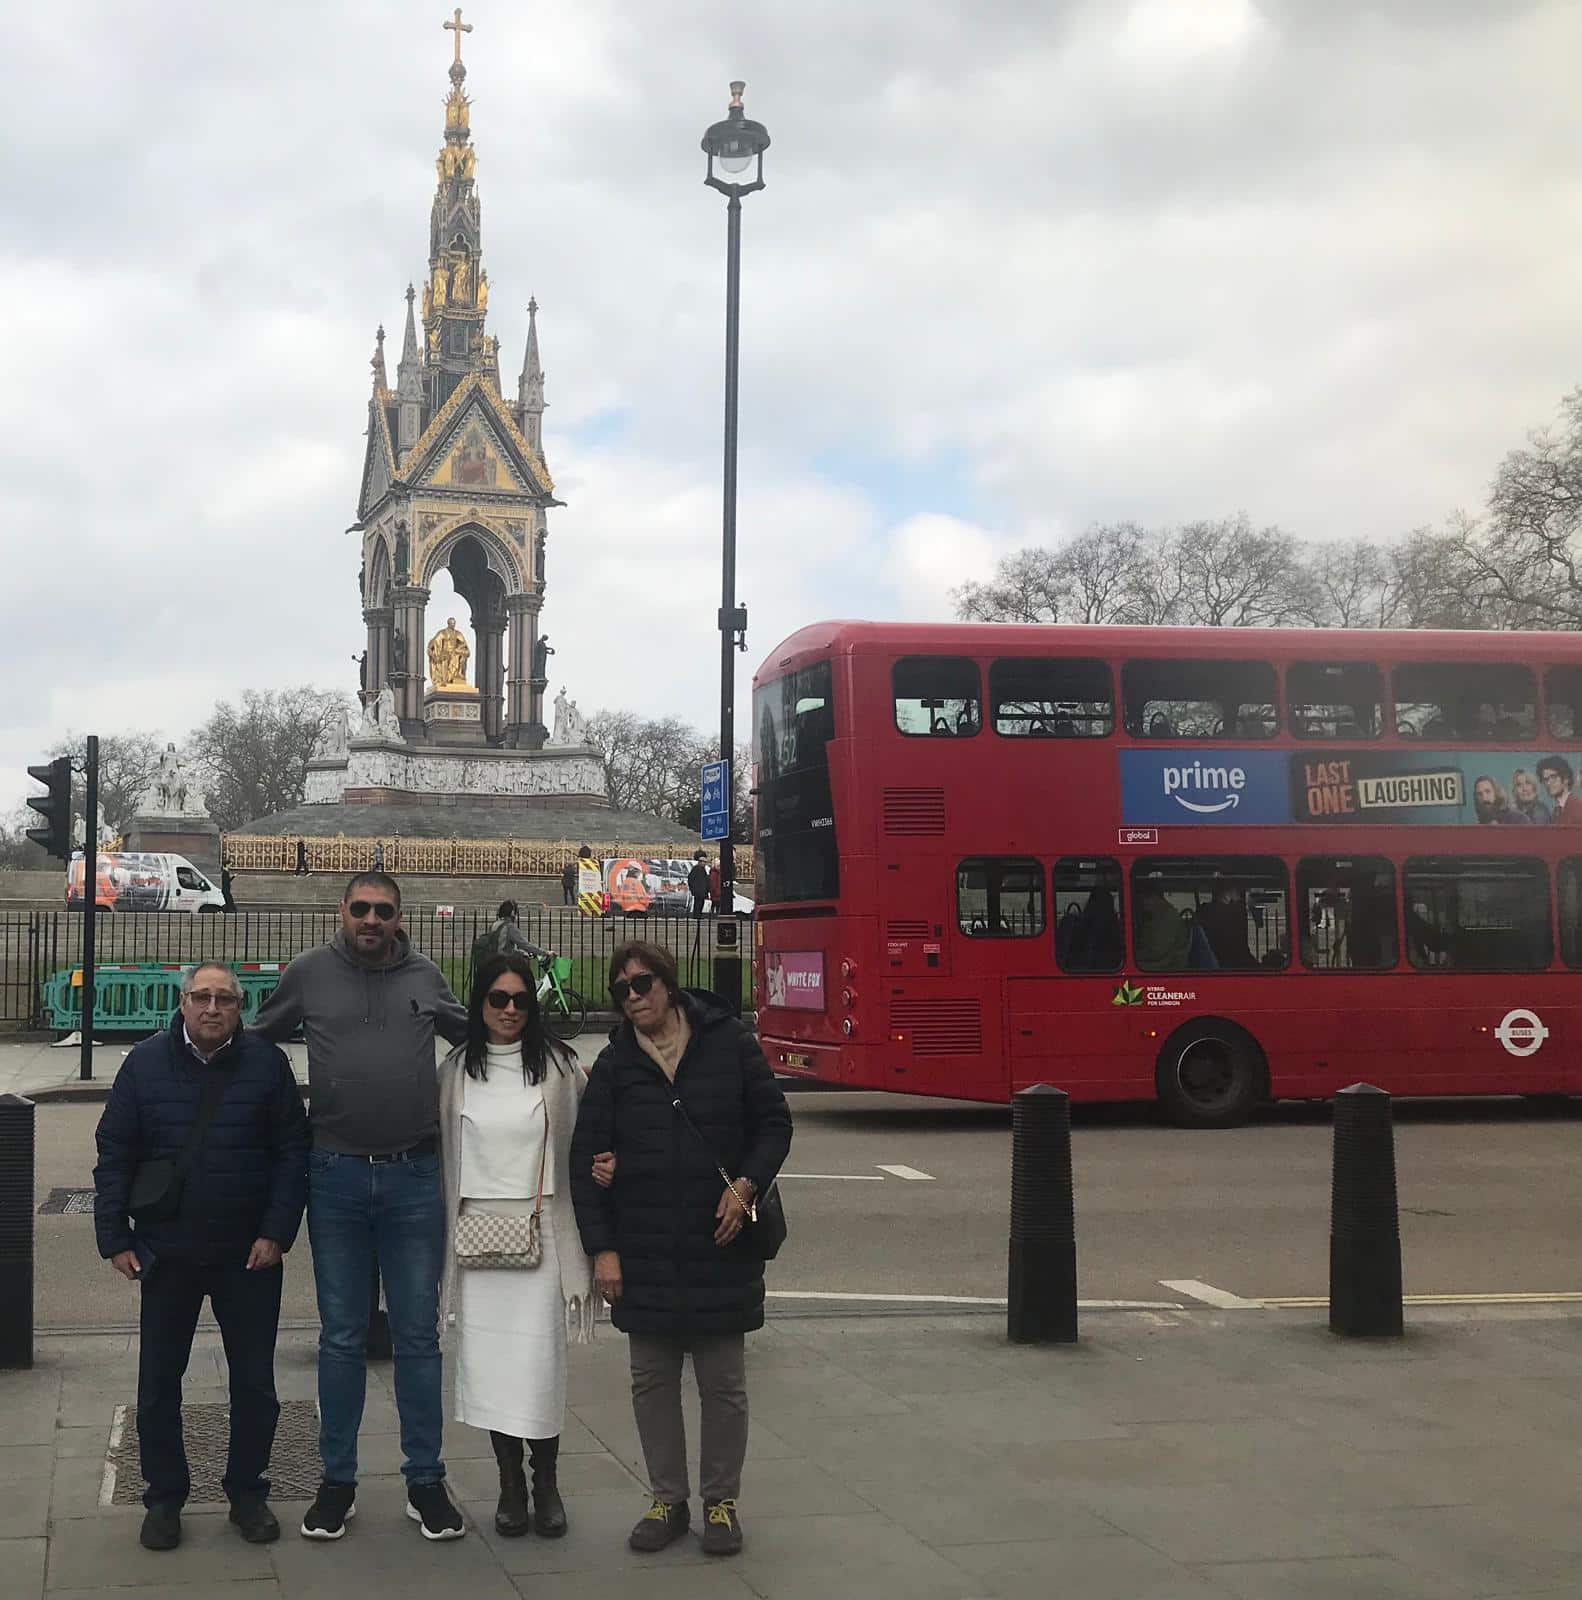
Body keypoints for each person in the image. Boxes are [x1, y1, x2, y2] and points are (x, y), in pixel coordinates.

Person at [252, 872, 470, 1542]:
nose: (372, 919)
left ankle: (425, 1480)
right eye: (361, 909)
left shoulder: (425, 974)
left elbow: (480, 1035)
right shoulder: (308, 973)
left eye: (384, 910)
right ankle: (337, 1481)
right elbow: (258, 1040)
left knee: (418, 1337)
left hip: (414, 1177)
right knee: (341, 1337)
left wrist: (553, 1059)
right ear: (341, 910)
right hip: (336, 1176)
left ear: (398, 916)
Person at [570, 942, 792, 1558]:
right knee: (651, 1381)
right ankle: (667, 1500)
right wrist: (603, 1252)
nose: (633, 997)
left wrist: (746, 1186)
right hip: (644, 1248)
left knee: (723, 1383)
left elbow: (774, 1124)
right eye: (622, 990)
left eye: (642, 983)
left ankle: (721, 1503)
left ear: (668, 984)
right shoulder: (615, 1064)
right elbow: (586, 1162)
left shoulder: (729, 1042)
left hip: (720, 1243)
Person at [93, 962, 308, 1552]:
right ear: (182, 1002)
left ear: (241, 1007)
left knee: (255, 1385)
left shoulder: (268, 1064)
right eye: (201, 997)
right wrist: (115, 1236)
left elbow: (293, 1152)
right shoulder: (144, 1064)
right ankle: (164, 1499)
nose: (213, 1008)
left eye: (225, 999)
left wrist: (277, 1232)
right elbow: (114, 1152)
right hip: (168, 1252)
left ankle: (248, 1493)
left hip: (249, 1254)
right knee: (159, 1384)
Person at [438, 952, 609, 1540]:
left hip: (542, 1234)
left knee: (538, 1367)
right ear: (479, 1003)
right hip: (477, 1240)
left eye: (520, 1000)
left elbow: (591, 1136)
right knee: (491, 1370)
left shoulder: (559, 1067)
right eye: (498, 999)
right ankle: (509, 1484)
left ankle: (546, 1483)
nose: (510, 1010)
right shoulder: (455, 1070)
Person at [1194, 884, 1257, 967]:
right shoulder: (1232, 916)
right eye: (1237, 891)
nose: (1238, 896)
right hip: (1228, 964)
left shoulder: (1204, 911)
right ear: (1228, 893)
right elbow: (1239, 950)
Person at [1133, 884, 1189, 969]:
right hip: (1161, 961)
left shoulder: (1168, 918)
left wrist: (1133, 955)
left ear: (1157, 898)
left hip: (1168, 965)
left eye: (1146, 899)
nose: (1143, 904)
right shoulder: (1155, 916)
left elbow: (1157, 952)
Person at [1536, 756, 1582, 824]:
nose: (1548, 783)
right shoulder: (1556, 811)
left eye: (1553, 777)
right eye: (1545, 779)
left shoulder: (1577, 807)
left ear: (1566, 778)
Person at [688, 852, 709, 918]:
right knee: (697, 903)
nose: (704, 863)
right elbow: (690, 879)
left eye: (705, 862)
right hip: (698, 890)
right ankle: (696, 915)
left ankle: (699, 915)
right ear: (700, 862)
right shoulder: (696, 869)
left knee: (701, 903)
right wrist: (693, 889)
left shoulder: (703, 870)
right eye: (703, 862)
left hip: (702, 890)